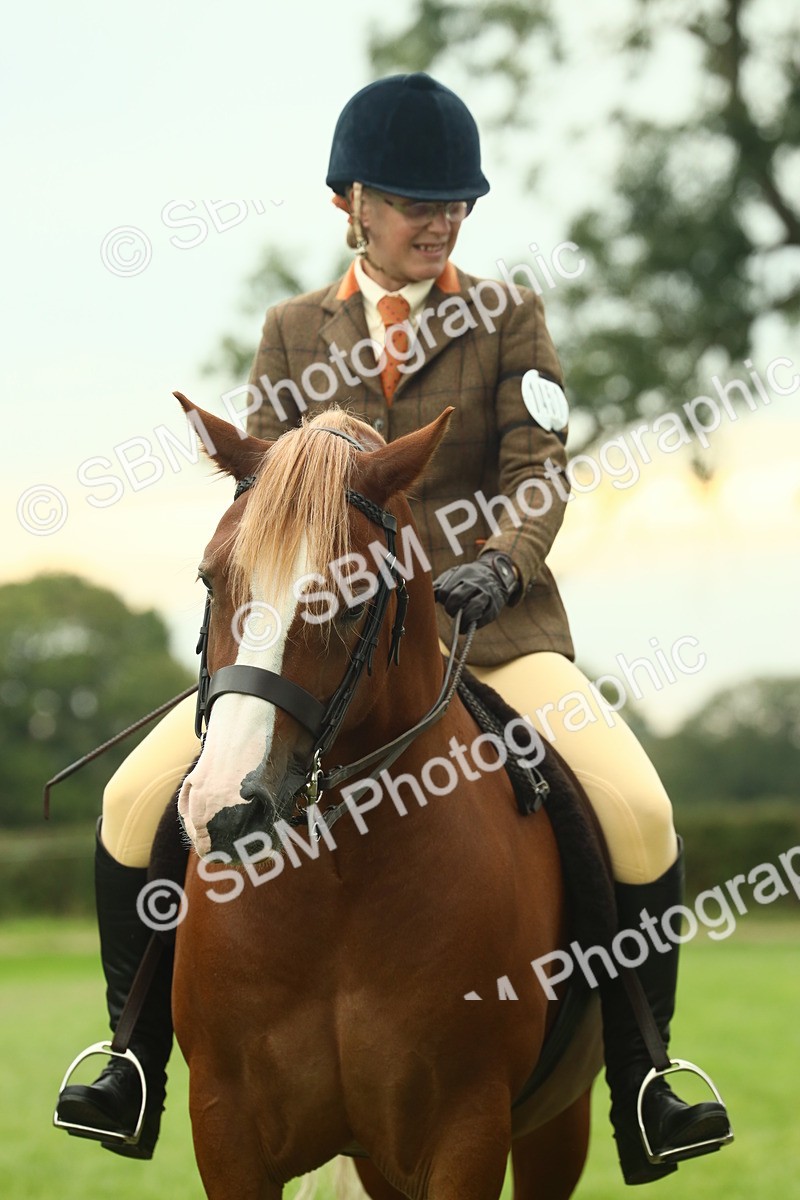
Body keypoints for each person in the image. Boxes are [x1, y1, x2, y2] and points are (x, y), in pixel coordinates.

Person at [56, 72, 731, 1185]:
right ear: (351, 205)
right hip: (309, 649)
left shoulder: (505, 315)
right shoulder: (290, 330)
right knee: (134, 802)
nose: (442, 220)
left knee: (638, 808)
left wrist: (496, 566)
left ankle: (645, 1078)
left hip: (495, 637)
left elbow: (536, 468)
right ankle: (129, 1061)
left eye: (456, 202)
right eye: (417, 201)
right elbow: (264, 495)